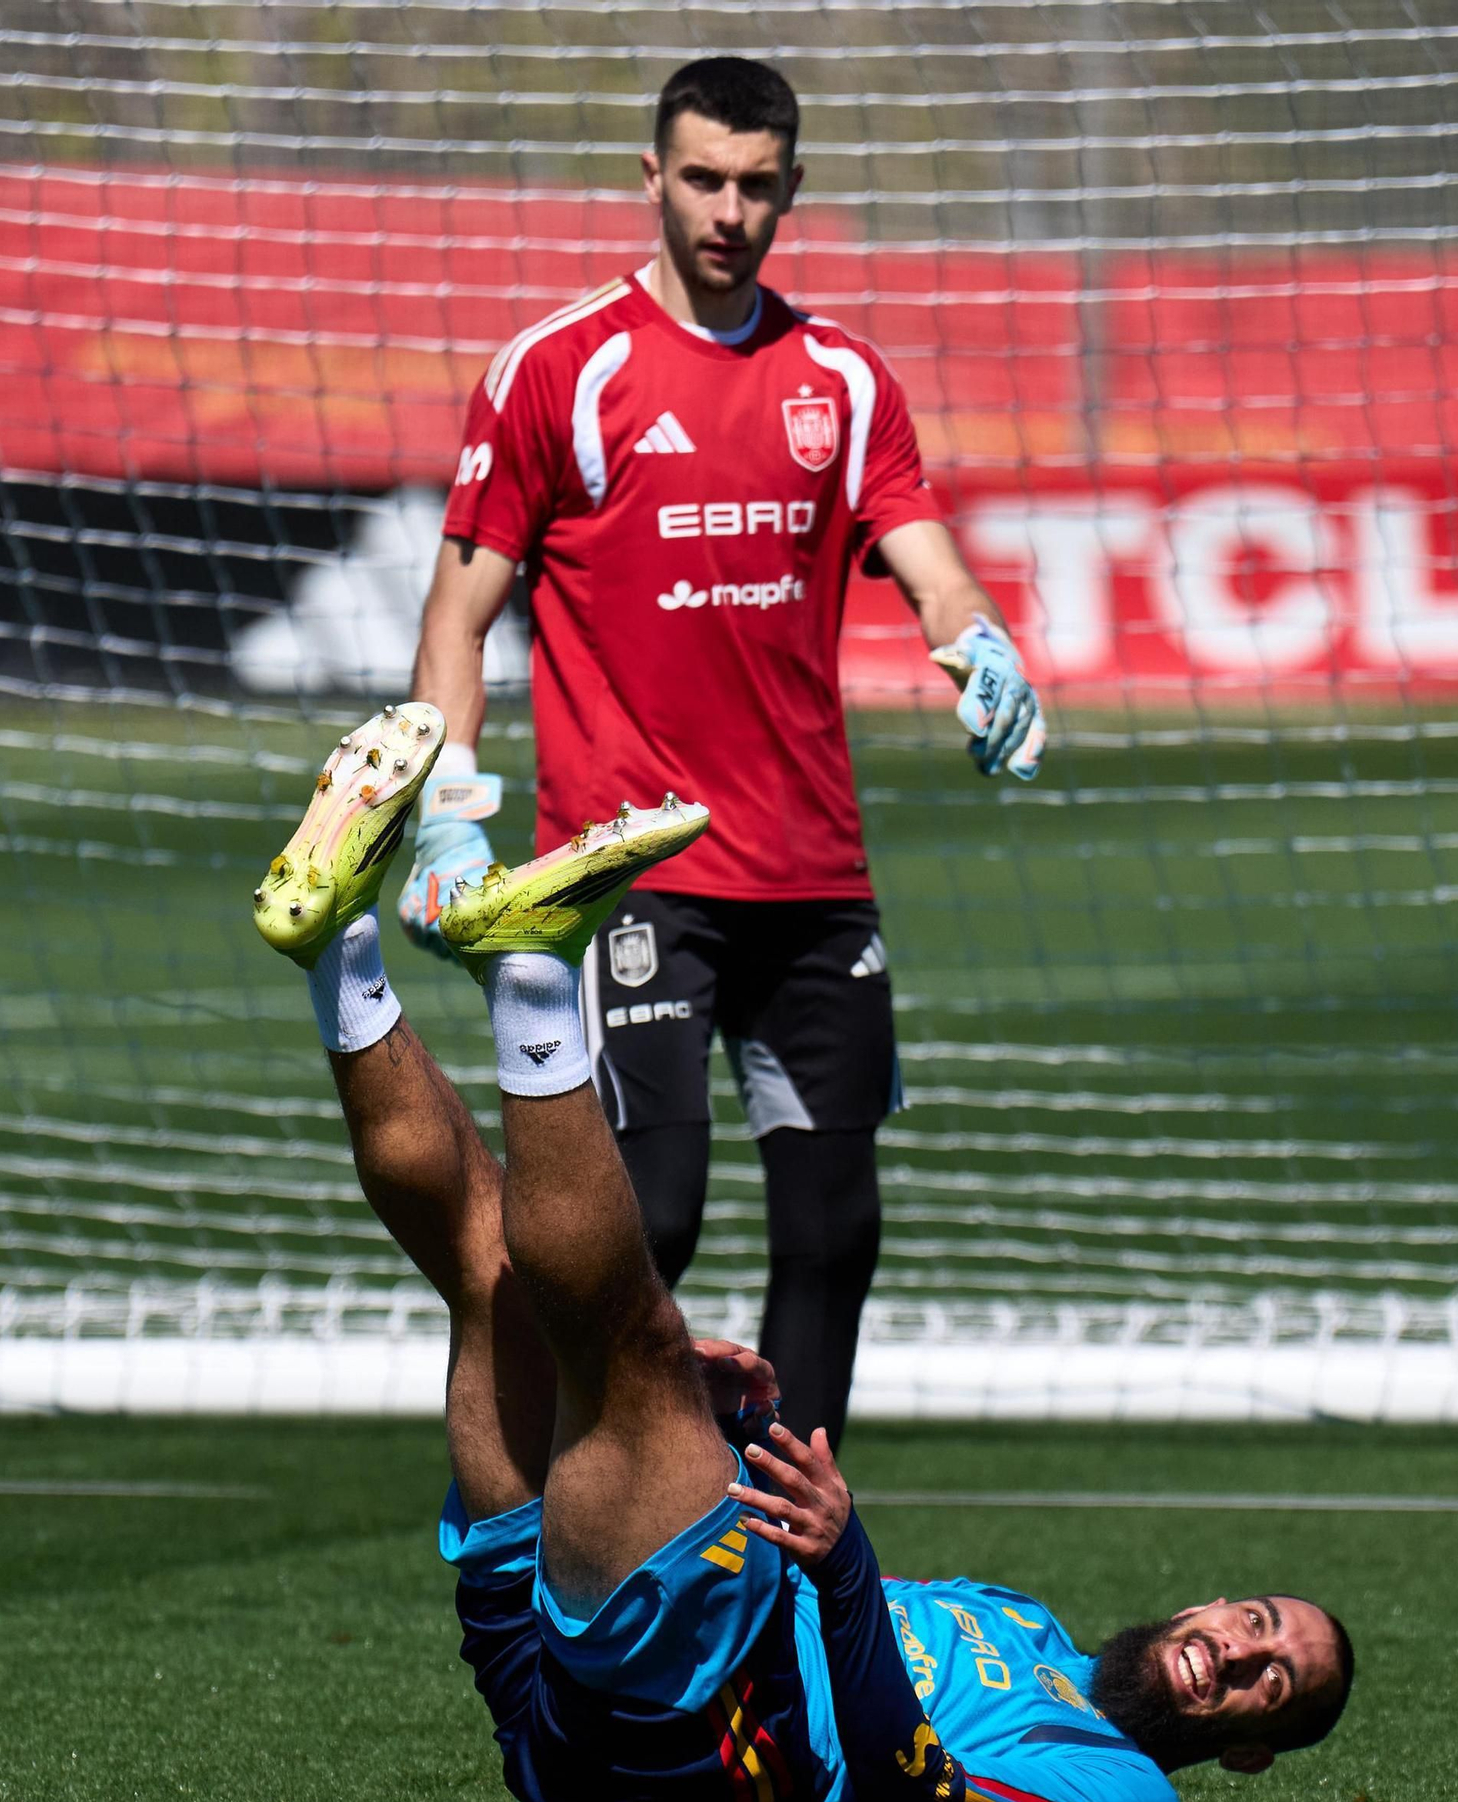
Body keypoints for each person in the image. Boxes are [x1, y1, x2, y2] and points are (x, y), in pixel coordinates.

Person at [252, 704, 1354, 1802]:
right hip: (606, 1704)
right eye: (1258, 1620)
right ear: (1217, 1600)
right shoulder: (1016, 1616)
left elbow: (910, 1787)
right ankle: (337, 950)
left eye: (1269, 1680)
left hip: (715, 1755)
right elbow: (798, 1581)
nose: (1237, 1651)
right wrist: (732, 1431)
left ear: (1248, 1748)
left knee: (628, 1335)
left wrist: (831, 1542)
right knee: (492, 1275)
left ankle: (533, 976)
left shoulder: (1128, 1799)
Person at [393, 55, 1048, 1450]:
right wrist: (447, 815)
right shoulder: (561, 372)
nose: (727, 209)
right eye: (702, 178)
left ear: (792, 191)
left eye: (756, 185)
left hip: (813, 881)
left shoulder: (845, 383)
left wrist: (982, 642)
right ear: (652, 177)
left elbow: (932, 569)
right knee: (654, 1222)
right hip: (633, 878)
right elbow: (457, 615)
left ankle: (786, 1549)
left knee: (833, 1232)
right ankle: (557, 1493)